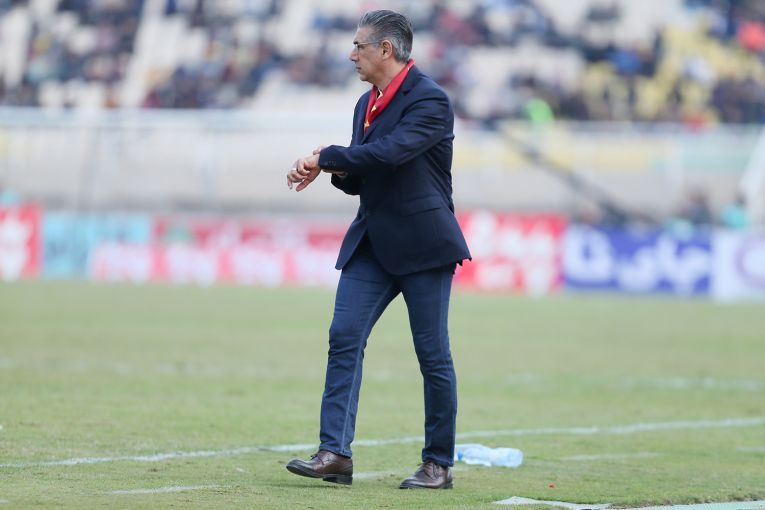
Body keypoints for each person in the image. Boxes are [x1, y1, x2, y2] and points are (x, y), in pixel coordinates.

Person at [284, 10, 471, 490]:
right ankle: (335, 454)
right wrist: (335, 170)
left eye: (358, 46)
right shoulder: (364, 103)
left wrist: (326, 157)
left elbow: (390, 155)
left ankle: (437, 464)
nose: (351, 55)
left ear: (385, 49)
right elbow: (363, 174)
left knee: (432, 354)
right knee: (343, 337)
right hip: (372, 242)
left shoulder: (429, 99)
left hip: (424, 246)